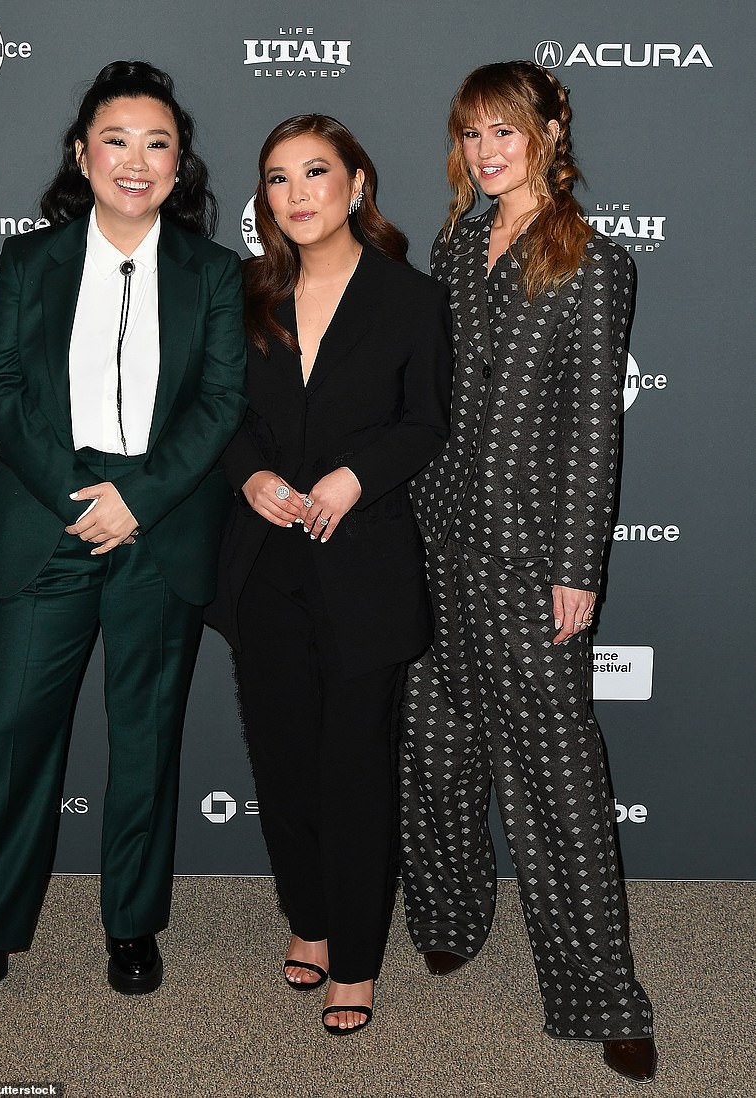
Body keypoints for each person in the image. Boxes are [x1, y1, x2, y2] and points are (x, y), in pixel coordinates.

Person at [0, 60, 246, 1026]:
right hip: (46, 524)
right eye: (116, 140)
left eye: (157, 143)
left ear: (180, 162)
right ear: (82, 153)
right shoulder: (30, 260)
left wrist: (135, 500)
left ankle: (132, 922)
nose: (135, 161)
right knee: (14, 736)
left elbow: (222, 402)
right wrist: (79, 494)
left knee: (144, 738)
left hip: (159, 528)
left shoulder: (214, 271)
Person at [399, 60, 657, 1082]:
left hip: (524, 550)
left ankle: (602, 994)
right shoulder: (454, 242)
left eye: (505, 131)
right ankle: (451, 910)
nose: (487, 150)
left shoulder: (592, 260)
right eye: (471, 134)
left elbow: (595, 429)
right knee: (435, 742)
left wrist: (575, 568)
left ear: (550, 131)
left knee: (556, 775)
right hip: (431, 532)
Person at [205, 115, 452, 1034]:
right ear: (264, 199)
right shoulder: (240, 295)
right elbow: (215, 409)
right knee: (283, 758)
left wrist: (354, 475)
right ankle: (306, 920)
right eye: (277, 178)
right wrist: (251, 474)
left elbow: (424, 422)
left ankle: (355, 955)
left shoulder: (409, 300)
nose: (297, 192)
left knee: (353, 768)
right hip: (265, 564)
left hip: (365, 569)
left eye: (316, 172)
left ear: (356, 183)